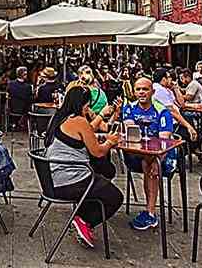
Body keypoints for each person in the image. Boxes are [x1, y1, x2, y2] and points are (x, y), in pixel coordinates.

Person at [43, 85, 123, 249]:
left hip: (52, 180)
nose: (88, 108)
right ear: (82, 104)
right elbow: (98, 152)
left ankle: (81, 216)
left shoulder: (60, 117)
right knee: (115, 197)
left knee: (103, 174)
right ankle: (85, 220)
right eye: (87, 104)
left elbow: (85, 133)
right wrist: (110, 142)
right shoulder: (78, 121)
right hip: (70, 182)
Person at [121, 77, 175, 230]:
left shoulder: (162, 111)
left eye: (145, 89)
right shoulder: (129, 108)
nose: (141, 92)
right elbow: (131, 133)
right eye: (138, 89)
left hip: (162, 155)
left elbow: (164, 141)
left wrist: (156, 158)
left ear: (153, 91)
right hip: (136, 154)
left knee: (150, 163)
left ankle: (150, 213)